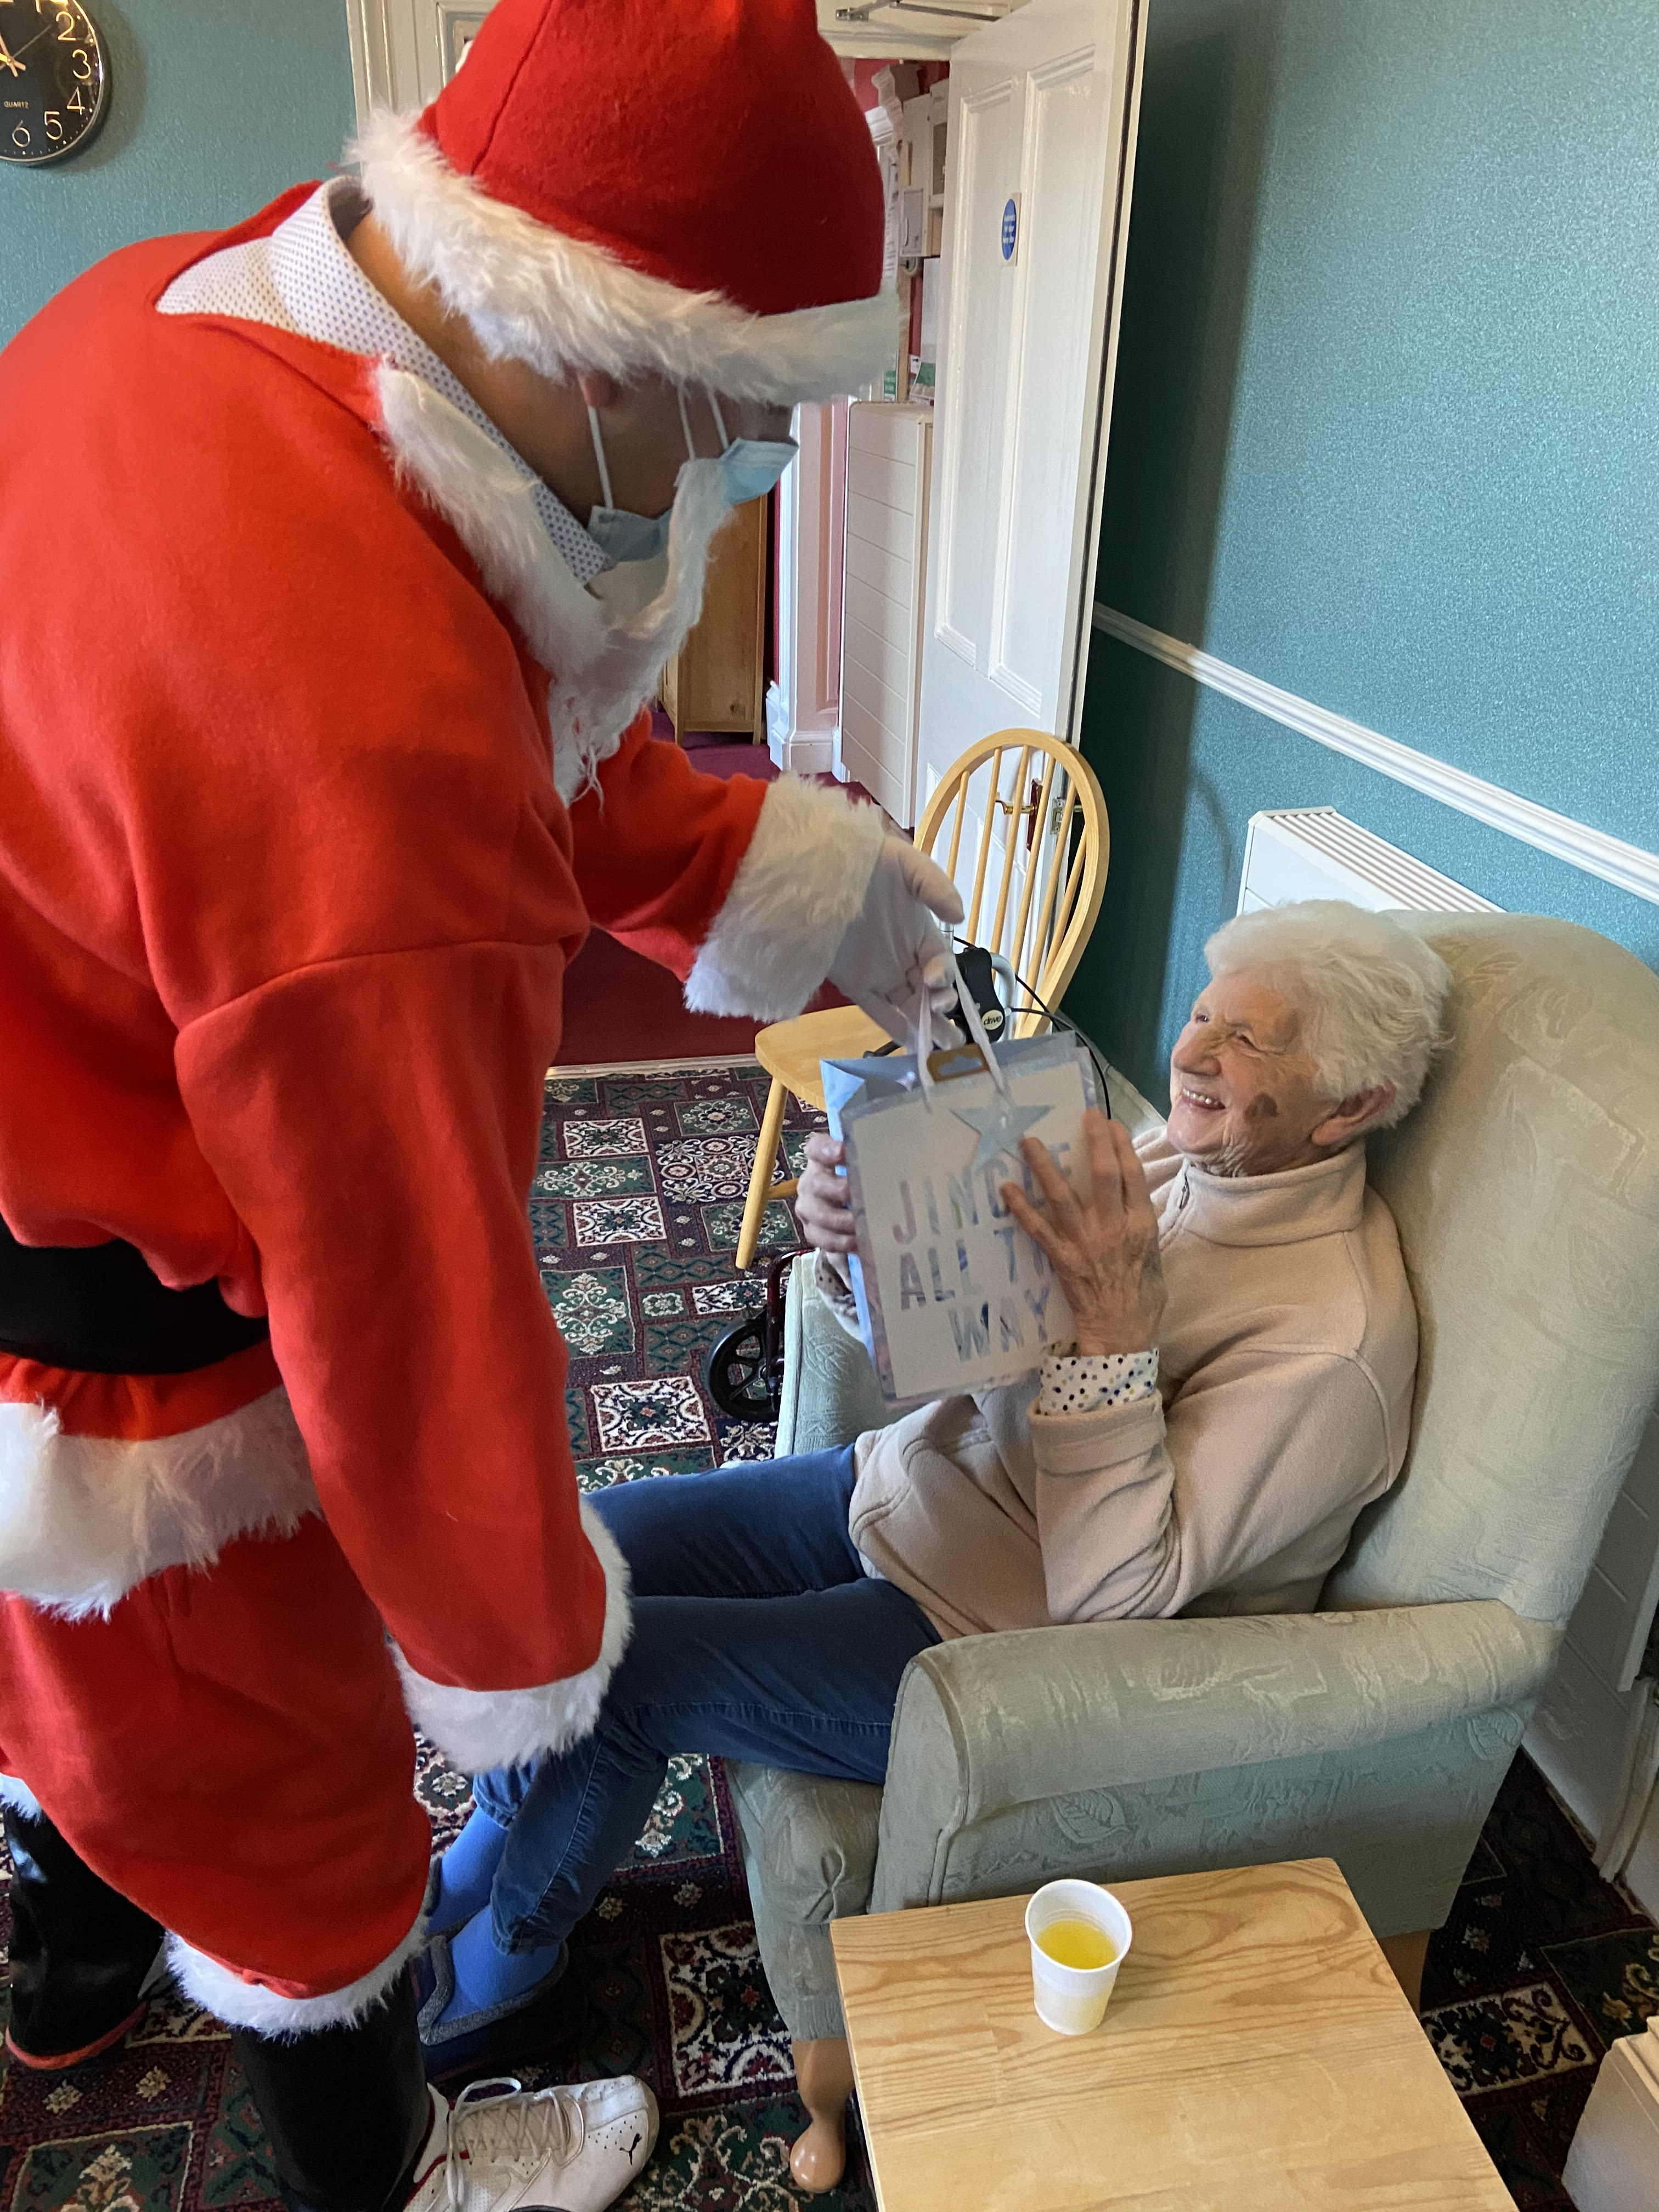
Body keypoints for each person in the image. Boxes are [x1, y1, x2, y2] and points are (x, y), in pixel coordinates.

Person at [0, 5, 963, 2211]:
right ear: (619, 362)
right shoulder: (366, 758)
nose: (754, 471)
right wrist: (519, 1648)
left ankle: (67, 1958)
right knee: (305, 1838)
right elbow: (414, 1309)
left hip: (52, 1089)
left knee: (70, 1730)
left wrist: (788, 868)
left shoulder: (209, 306)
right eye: (750, 422)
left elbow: (513, 708)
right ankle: (399, 2169)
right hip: (121, 1364)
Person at [424, 900, 1451, 2079]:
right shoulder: (1174, 1158)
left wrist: (1113, 1333)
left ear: (1350, 1107)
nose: (1194, 1052)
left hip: (995, 1639)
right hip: (906, 1490)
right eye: (1205, 1014)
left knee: (627, 1673)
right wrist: (860, 1250)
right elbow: (972, 1338)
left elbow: (1116, 1599)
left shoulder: (1331, 1346)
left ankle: (504, 1978)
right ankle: (484, 1853)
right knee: (576, 1559)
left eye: (1250, 1040)